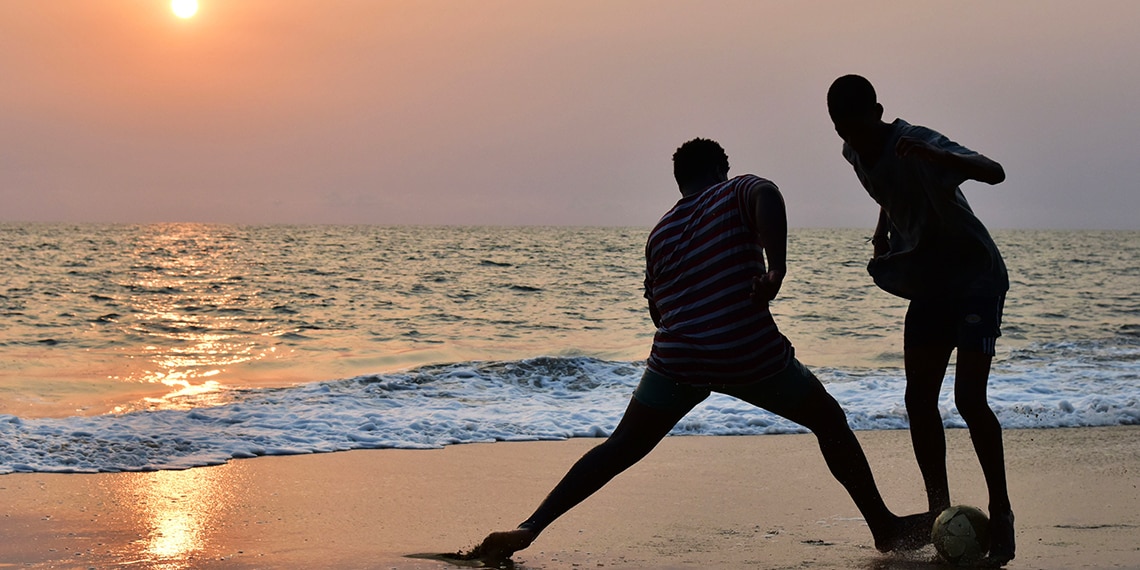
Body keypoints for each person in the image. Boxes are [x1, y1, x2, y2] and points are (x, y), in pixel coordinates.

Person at [470, 138, 932, 564]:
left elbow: (657, 310)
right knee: (828, 420)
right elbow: (766, 193)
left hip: (677, 361)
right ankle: (884, 527)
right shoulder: (735, 191)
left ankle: (528, 528)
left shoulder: (659, 233)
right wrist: (777, 269)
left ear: (679, 181)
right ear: (720, 168)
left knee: (618, 449)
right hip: (745, 353)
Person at [826, 74, 1015, 565]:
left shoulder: (919, 141)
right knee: (919, 400)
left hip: (975, 276)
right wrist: (882, 232)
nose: (854, 140)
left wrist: (941, 159)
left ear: (879, 111)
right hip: (930, 285)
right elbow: (886, 190)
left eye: (860, 127)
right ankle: (940, 511)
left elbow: (994, 171)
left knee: (969, 399)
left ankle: (1003, 511)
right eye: (843, 130)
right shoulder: (853, 150)